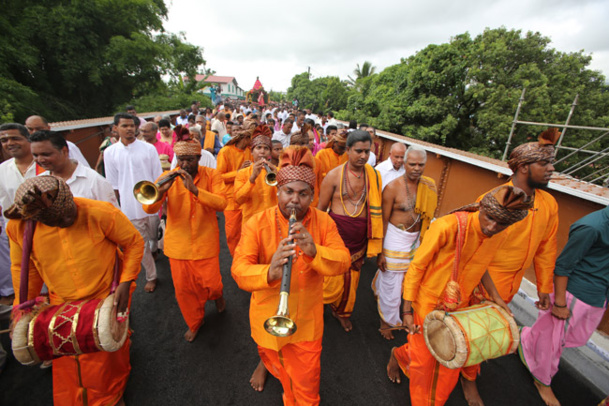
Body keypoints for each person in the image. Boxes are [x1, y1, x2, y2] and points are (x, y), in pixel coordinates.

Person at [386, 186, 533, 406]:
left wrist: (495, 296)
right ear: (481, 208)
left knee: (448, 363)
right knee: (425, 365)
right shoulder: (448, 226)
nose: (492, 226)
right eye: (490, 218)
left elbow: (481, 265)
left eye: (501, 223)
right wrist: (406, 310)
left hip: (461, 308)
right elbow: (417, 267)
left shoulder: (499, 235)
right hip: (427, 303)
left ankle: (399, 355)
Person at [5, 176, 144, 406]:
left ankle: (112, 396)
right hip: (61, 304)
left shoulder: (99, 211)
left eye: (70, 212)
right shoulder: (19, 228)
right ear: (38, 218)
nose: (69, 219)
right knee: (69, 361)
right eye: (59, 219)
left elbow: (133, 243)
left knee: (105, 360)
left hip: (105, 295)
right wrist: (22, 309)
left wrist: (125, 281)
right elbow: (24, 268)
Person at [231, 146, 351, 405]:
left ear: (312, 195)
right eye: (288, 192)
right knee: (275, 363)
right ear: (278, 191)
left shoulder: (324, 223)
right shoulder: (257, 223)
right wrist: (269, 271)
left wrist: (314, 251)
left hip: (307, 324)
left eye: (303, 194)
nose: (294, 200)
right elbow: (239, 270)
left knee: (307, 387)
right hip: (267, 317)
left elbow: (343, 261)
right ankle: (268, 368)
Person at [460, 128, 560, 405]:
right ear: (525, 167)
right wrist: (491, 293)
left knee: (480, 338)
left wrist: (544, 286)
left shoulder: (549, 204)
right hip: (482, 282)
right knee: (465, 335)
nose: (551, 169)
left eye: (552, 163)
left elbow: (546, 248)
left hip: (509, 287)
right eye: (545, 163)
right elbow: (473, 250)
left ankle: (467, 374)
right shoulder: (494, 199)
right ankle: (463, 381)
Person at [518, 215, 608, 406]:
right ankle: (542, 382)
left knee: (557, 338)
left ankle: (527, 343)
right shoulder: (592, 227)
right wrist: (559, 304)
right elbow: (563, 265)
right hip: (573, 294)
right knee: (552, 341)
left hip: (596, 295)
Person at [142, 141, 227, 342]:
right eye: (181, 159)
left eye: (190, 160)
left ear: (199, 158)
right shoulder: (166, 177)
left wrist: (196, 191)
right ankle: (195, 322)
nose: (185, 164)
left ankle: (217, 295)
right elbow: (149, 209)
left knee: (212, 284)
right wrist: (162, 191)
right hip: (178, 247)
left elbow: (222, 203)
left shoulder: (212, 175)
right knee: (184, 290)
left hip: (205, 243)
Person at [318, 130, 383, 332]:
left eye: (367, 151)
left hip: (359, 241)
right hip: (335, 237)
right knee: (329, 277)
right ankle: (319, 305)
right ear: (347, 150)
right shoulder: (334, 176)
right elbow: (320, 210)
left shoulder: (374, 175)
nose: (363, 156)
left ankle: (341, 313)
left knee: (351, 281)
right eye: (358, 151)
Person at [373, 145, 437, 340]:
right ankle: (387, 321)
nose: (417, 168)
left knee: (408, 281)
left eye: (421, 164)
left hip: (415, 240)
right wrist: (380, 252)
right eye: (412, 164)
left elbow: (429, 215)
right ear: (405, 164)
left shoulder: (429, 186)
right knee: (391, 283)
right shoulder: (392, 188)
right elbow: (382, 220)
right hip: (394, 238)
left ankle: (392, 304)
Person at [104, 113, 162, 293]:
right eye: (124, 126)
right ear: (115, 128)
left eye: (132, 126)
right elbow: (113, 185)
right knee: (141, 245)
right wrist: (117, 210)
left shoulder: (148, 149)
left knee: (154, 238)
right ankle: (151, 276)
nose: (129, 129)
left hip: (152, 205)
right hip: (130, 207)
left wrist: (161, 203)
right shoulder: (109, 152)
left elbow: (158, 178)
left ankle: (155, 248)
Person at [30, 130, 118, 207]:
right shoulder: (38, 183)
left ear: (64, 151)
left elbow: (114, 219)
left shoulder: (95, 181)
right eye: (35, 155)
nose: (40, 159)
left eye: (46, 154)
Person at [216, 125, 253, 256]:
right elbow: (219, 176)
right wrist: (239, 172)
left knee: (249, 233)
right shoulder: (225, 151)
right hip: (232, 201)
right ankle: (236, 261)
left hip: (248, 199)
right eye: (251, 139)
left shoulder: (249, 151)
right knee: (233, 235)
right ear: (246, 138)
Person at [234, 125, 277, 227]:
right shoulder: (243, 173)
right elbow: (238, 200)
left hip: (273, 221)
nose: (262, 151)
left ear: (270, 152)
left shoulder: (276, 170)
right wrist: (252, 178)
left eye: (266, 148)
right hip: (251, 222)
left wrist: (278, 177)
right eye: (258, 148)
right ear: (252, 152)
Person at [25, 115, 91, 168]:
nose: (34, 132)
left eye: (38, 128)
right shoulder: (24, 150)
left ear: (48, 128)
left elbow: (84, 170)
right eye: (30, 129)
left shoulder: (68, 146)